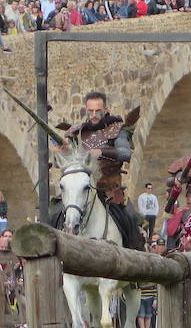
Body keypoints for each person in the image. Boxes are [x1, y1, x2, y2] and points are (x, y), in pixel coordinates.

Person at [61, 91, 142, 249]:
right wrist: (66, 150)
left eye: (97, 111)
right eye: (90, 111)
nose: (93, 115)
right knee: (53, 215)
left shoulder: (116, 130)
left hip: (109, 191)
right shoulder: (77, 133)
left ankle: (138, 263)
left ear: (105, 109)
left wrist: (102, 152)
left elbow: (126, 154)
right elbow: (72, 161)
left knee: (131, 222)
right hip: (81, 191)